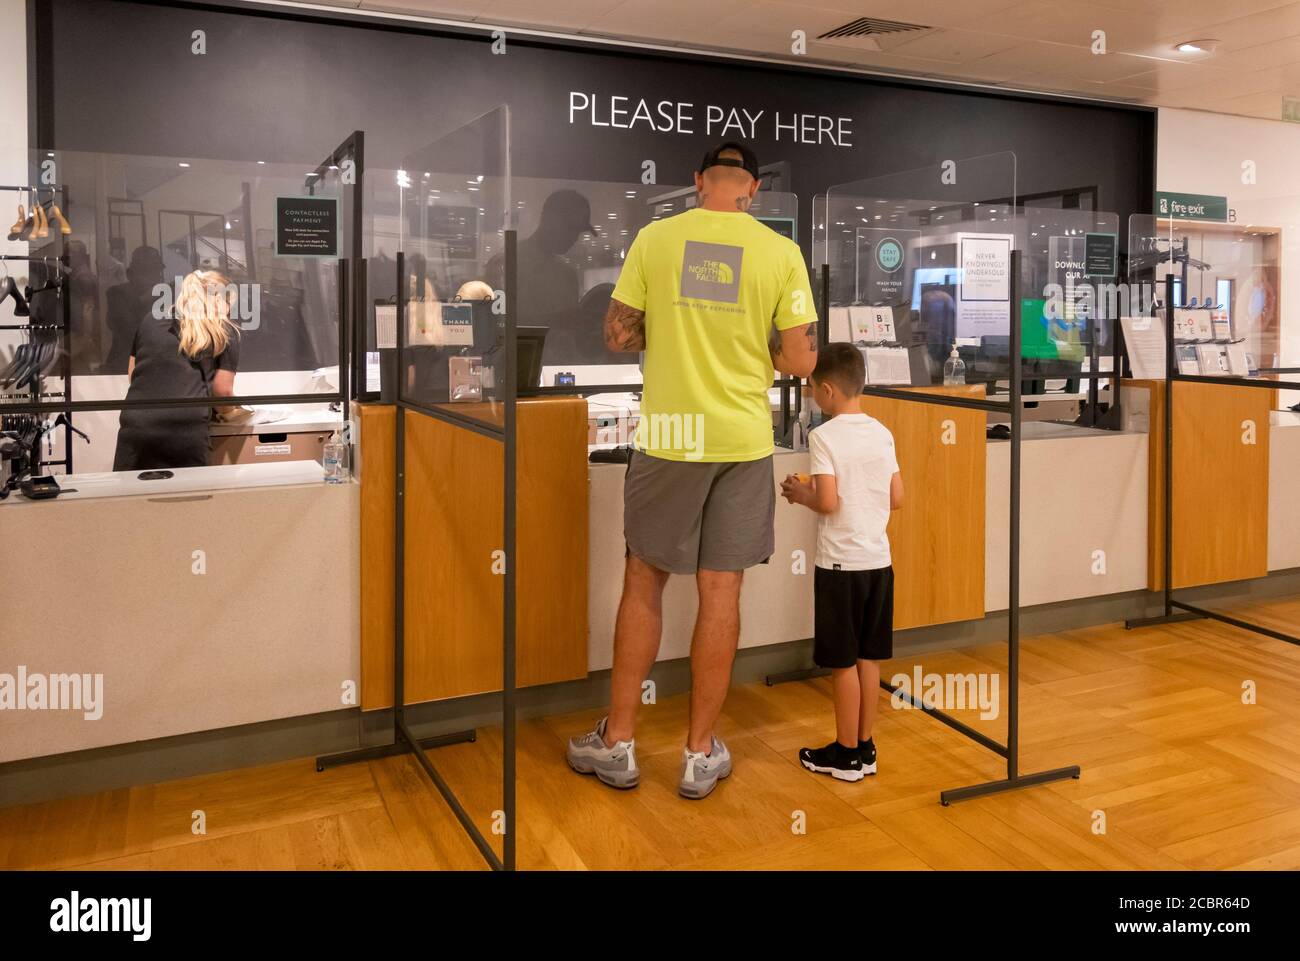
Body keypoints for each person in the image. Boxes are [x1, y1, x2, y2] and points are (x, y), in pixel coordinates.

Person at [566, 141, 818, 799]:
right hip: (743, 438)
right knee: (721, 591)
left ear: (698, 181)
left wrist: (678, 329)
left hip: (673, 435)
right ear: (754, 190)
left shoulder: (656, 237)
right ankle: (698, 753)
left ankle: (618, 743)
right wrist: (745, 333)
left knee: (645, 579)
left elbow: (619, 334)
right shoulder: (780, 252)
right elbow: (800, 361)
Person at [780, 342, 903, 781]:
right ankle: (866, 747)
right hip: (879, 562)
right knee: (869, 658)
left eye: (813, 387)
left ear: (828, 390)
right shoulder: (882, 432)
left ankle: (845, 754)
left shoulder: (823, 436)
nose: (812, 394)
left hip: (840, 566)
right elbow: (897, 496)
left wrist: (800, 494)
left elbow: (828, 502)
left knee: (842, 663)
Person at [113, 269, 239, 471]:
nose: (229, 312)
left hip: (137, 425)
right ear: (218, 301)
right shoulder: (222, 331)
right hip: (185, 430)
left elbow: (133, 374)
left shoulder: (150, 320)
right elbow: (222, 392)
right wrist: (233, 413)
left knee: (133, 498)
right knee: (189, 499)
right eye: (229, 305)